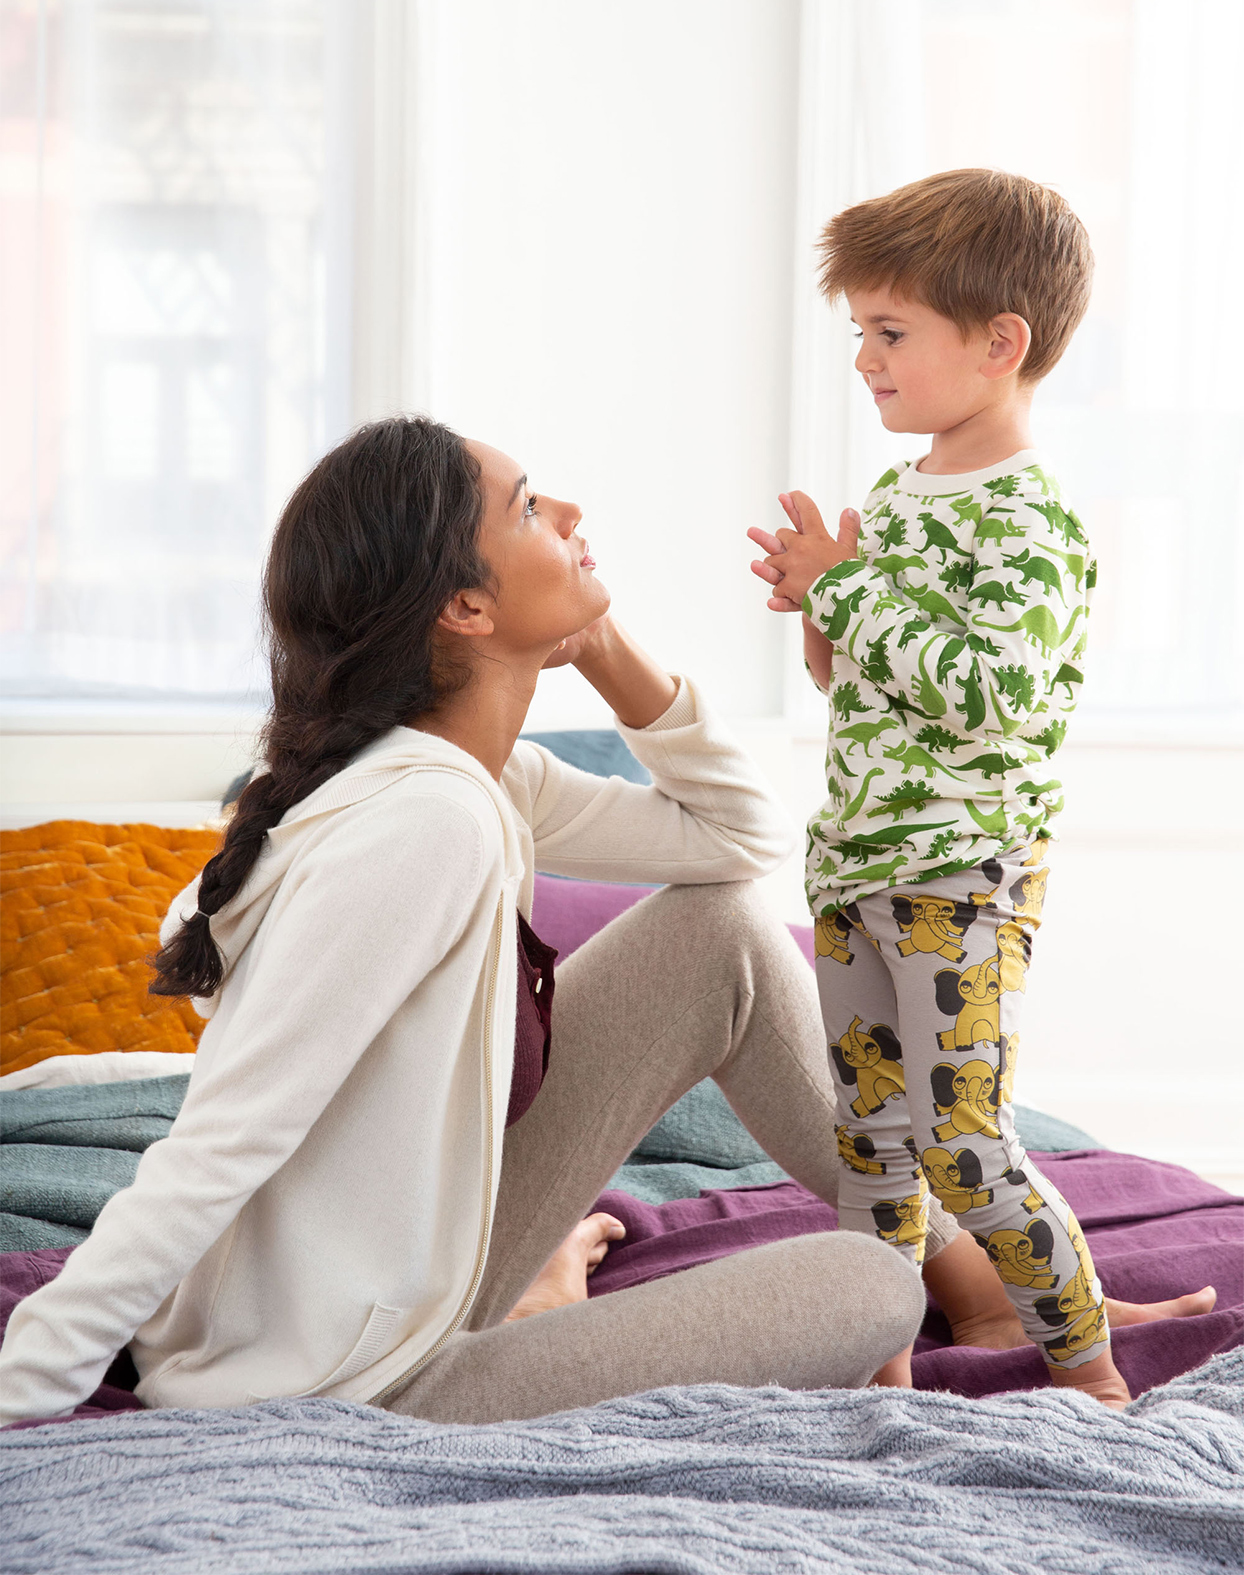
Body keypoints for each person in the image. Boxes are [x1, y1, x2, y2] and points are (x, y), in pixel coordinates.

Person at [0, 417, 1211, 1428]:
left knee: (722, 932)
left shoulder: (473, 779)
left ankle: (977, 1281)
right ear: (465, 609)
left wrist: (605, 649)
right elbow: (226, 1134)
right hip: (349, 1375)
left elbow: (738, 844)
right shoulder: (428, 823)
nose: (569, 508)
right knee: (855, 1283)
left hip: (423, 1260)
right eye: (529, 507)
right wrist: (30, 1387)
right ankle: (535, 1297)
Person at [745, 169, 1181, 1409]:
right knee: (870, 1143)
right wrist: (815, 608)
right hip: (856, 861)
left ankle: (1090, 1371)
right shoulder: (894, 498)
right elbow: (866, 688)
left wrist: (844, 591)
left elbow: (981, 690)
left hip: (957, 872)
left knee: (963, 1137)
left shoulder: (1030, 519)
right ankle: (880, 1373)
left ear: (999, 344)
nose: (865, 361)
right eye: (858, 336)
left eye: (890, 334)